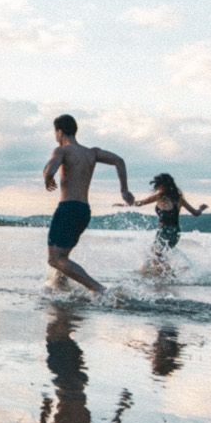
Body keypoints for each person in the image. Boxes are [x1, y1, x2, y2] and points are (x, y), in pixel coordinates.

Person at [42, 113, 134, 294]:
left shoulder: (61, 151)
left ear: (60, 132)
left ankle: (98, 289)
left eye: (55, 133)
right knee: (63, 255)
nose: (55, 137)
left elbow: (50, 169)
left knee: (54, 259)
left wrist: (47, 179)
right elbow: (119, 160)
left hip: (68, 208)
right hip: (84, 210)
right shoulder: (92, 153)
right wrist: (124, 190)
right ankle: (61, 286)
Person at [129, 172, 205, 252]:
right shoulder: (179, 199)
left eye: (158, 184)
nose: (156, 187)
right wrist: (201, 208)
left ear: (163, 185)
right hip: (174, 232)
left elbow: (140, 203)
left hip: (165, 231)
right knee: (155, 254)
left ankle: (170, 261)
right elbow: (196, 213)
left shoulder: (159, 196)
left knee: (157, 254)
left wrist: (125, 204)